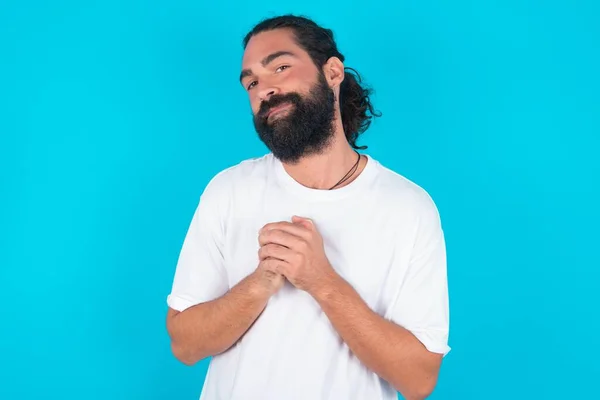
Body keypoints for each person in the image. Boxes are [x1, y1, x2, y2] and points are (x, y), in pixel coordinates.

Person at [165, 14, 450, 400]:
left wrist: (323, 282)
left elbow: (418, 380)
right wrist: (259, 284)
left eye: (280, 67)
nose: (264, 89)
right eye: (251, 82)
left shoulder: (409, 208)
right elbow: (184, 344)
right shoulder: (228, 190)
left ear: (332, 72)